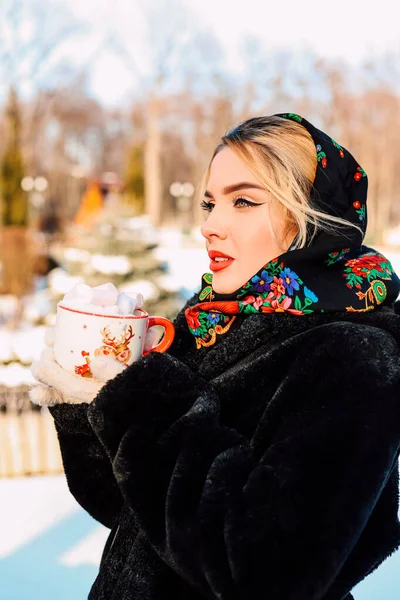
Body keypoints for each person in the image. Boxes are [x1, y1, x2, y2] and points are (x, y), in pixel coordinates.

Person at [30, 113, 400, 600]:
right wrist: (90, 400)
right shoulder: (210, 321)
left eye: (243, 201)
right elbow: (127, 514)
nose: (210, 226)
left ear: (312, 217)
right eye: (209, 203)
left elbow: (269, 571)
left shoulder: (355, 354)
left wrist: (143, 401)